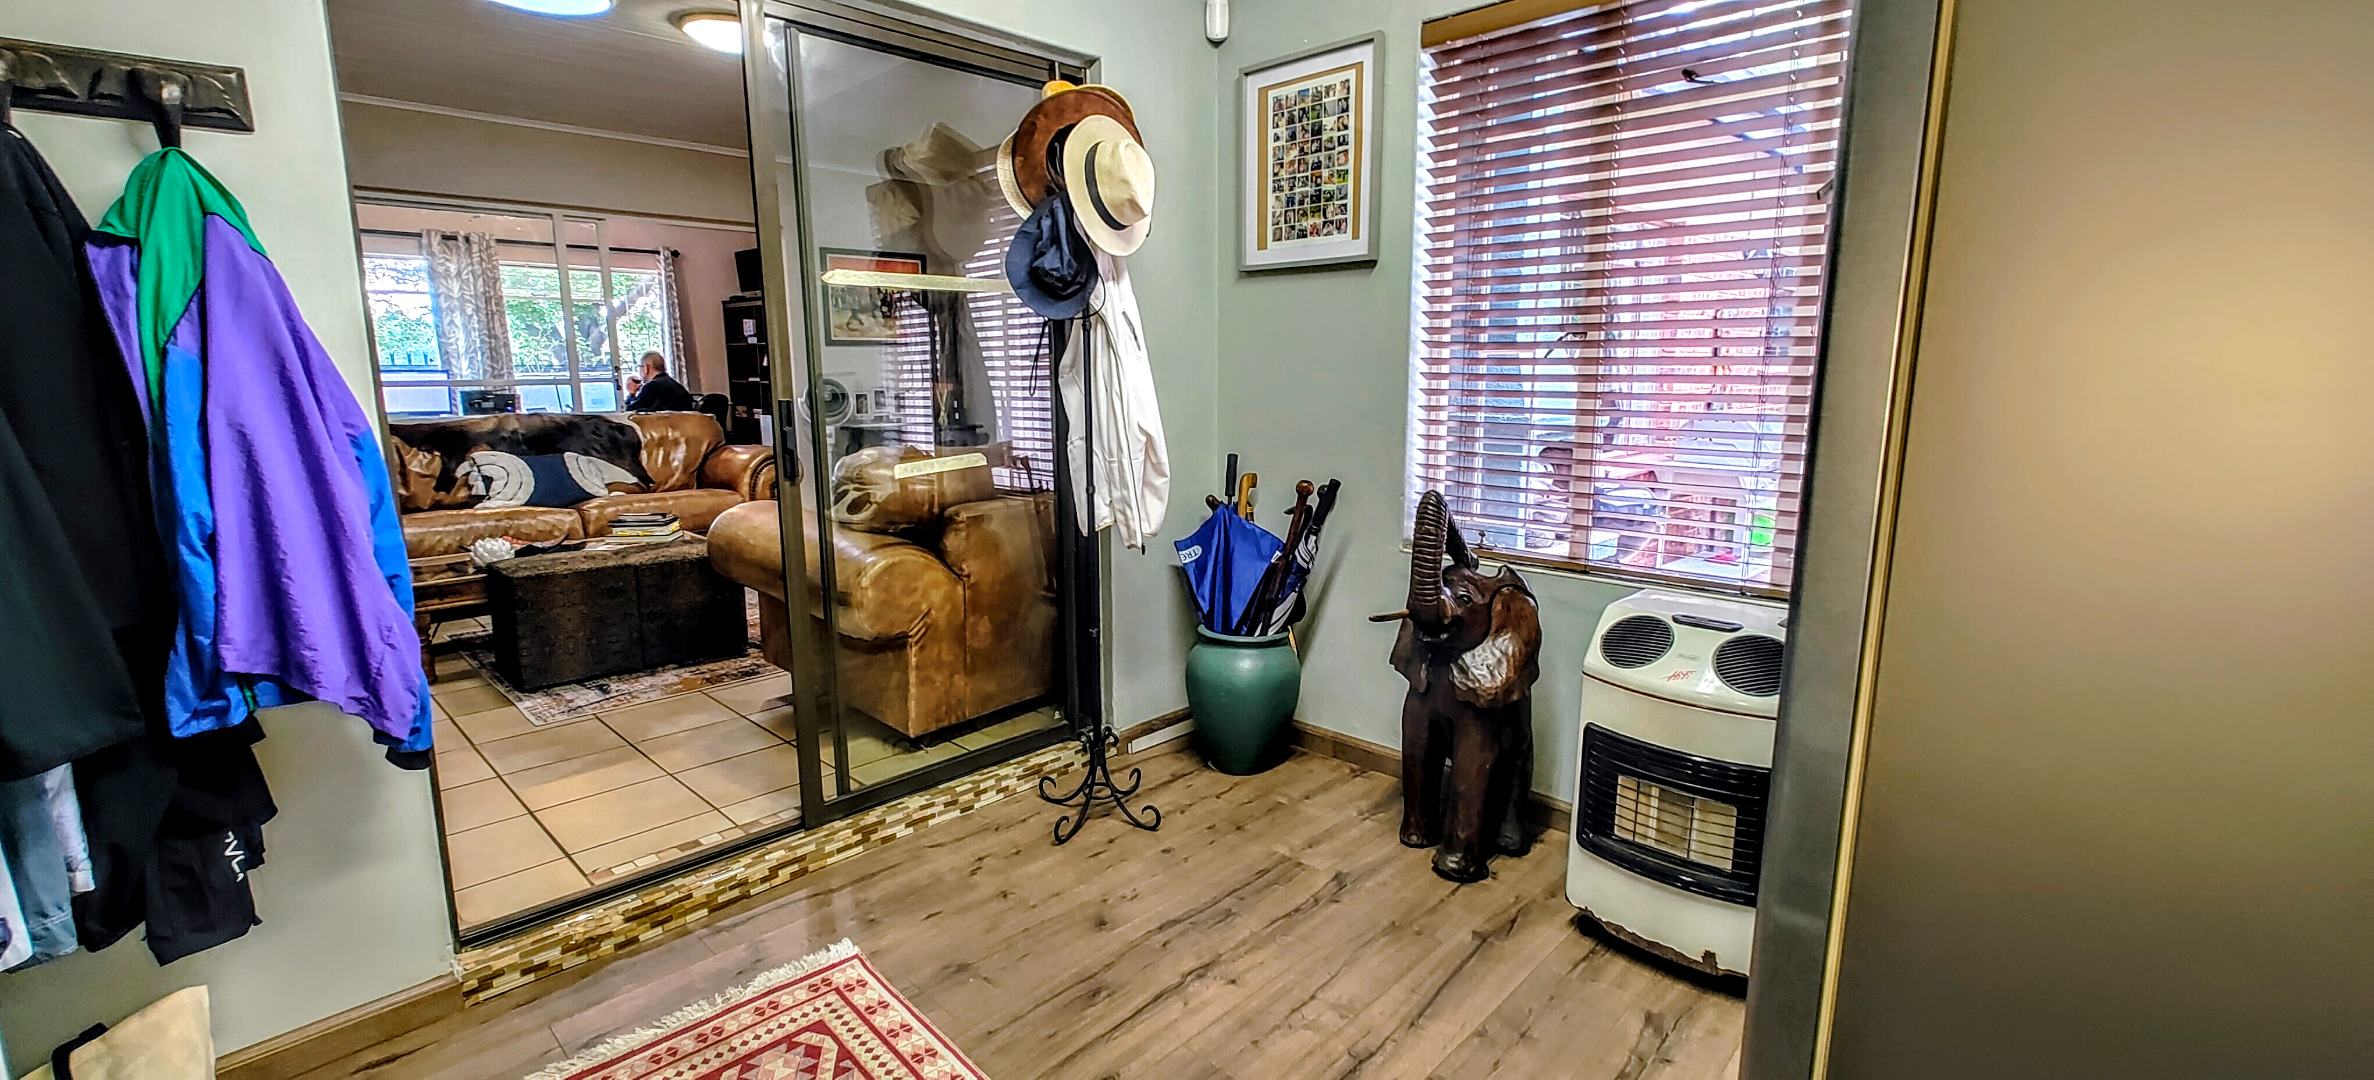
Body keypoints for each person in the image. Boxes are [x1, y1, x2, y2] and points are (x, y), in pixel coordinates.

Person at [623, 351, 695, 412]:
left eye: (640, 367)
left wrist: (632, 394)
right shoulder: (676, 385)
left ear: (646, 368)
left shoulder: (651, 387)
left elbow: (631, 413)